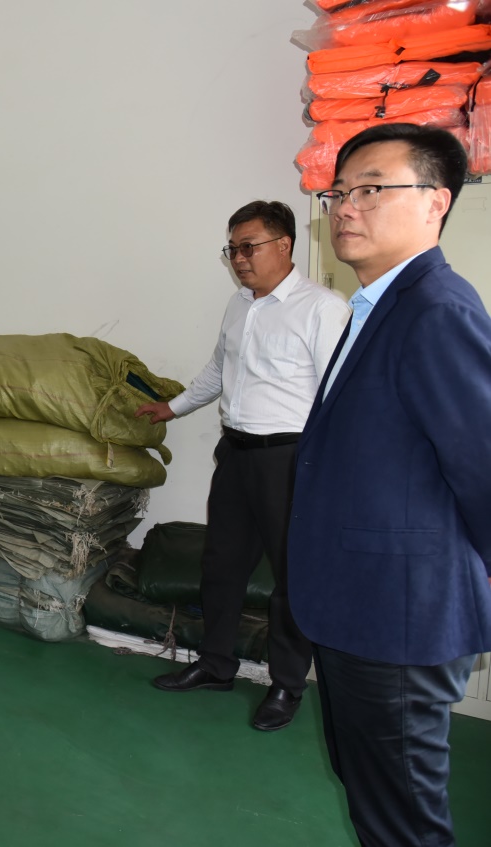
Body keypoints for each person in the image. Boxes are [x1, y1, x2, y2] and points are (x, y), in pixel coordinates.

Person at [290, 124, 491, 845]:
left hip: (400, 618)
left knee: (403, 821)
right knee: (375, 800)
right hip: (364, 608)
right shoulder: (378, 305)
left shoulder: (436, 310)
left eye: (372, 188)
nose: (345, 206)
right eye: (339, 191)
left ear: (436, 202)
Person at [135, 200, 349, 731]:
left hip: (289, 460)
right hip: (236, 454)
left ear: (284, 245)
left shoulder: (323, 308)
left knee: (291, 577)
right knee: (222, 565)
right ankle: (215, 665)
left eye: (248, 246)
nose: (238, 258)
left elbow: (340, 393)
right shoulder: (239, 306)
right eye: (232, 249)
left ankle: (286, 684)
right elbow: (218, 369)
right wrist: (172, 407)